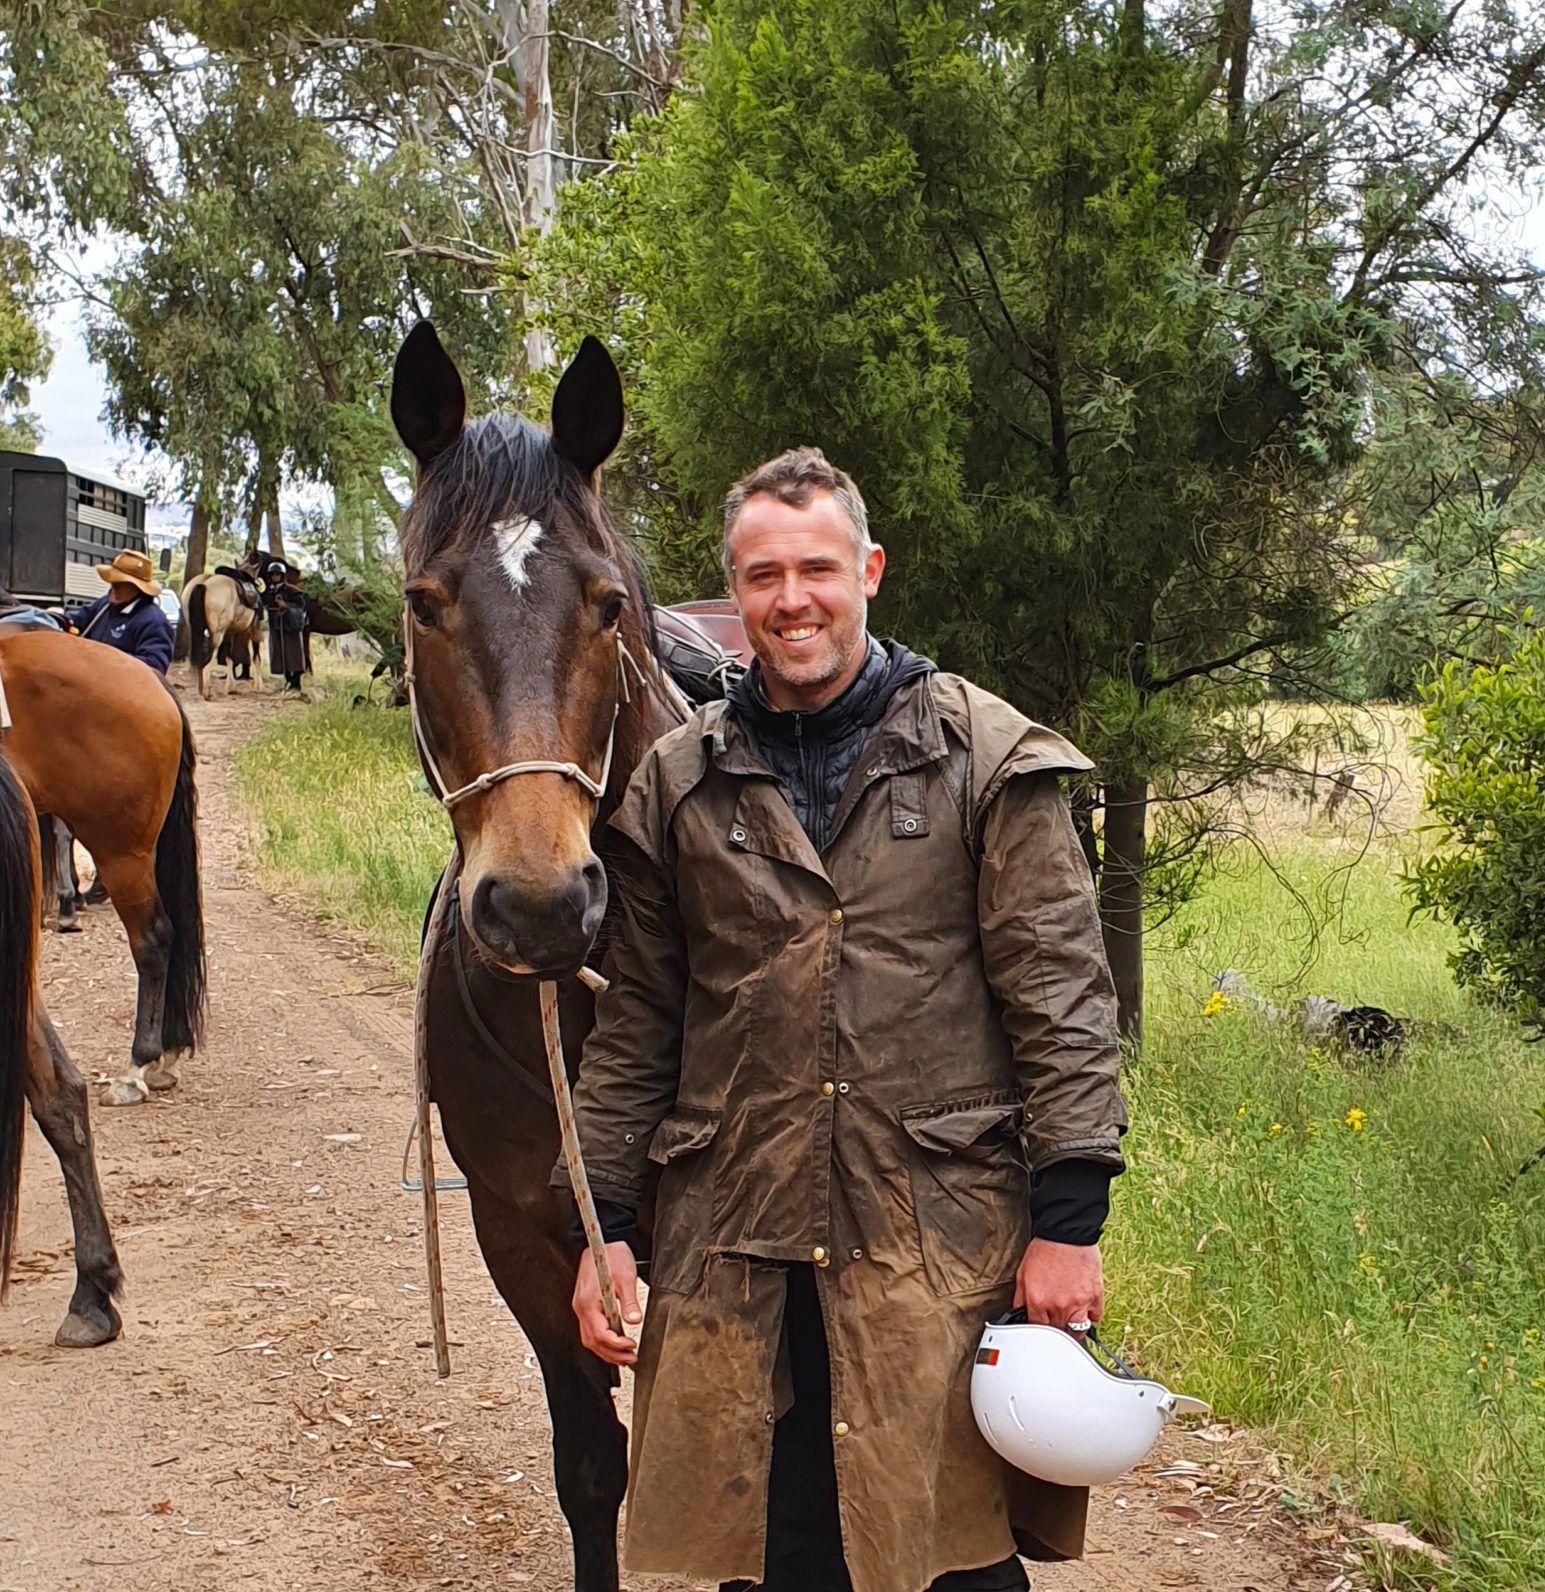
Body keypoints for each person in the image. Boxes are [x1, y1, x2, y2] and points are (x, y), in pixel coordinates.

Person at [559, 448, 1129, 1592]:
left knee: (948, 1545)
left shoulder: (985, 755)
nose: (791, 600)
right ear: (736, 593)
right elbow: (637, 1031)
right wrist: (604, 1223)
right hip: (736, 1232)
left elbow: (1064, 1002)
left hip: (933, 1237)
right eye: (762, 575)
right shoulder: (676, 786)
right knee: (770, 1546)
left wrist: (1070, 1217)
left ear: (867, 569)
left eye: (816, 567)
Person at [66, 549, 175, 674]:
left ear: (138, 588)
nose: (115, 587)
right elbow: (78, 618)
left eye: (123, 583)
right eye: (114, 582)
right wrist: (57, 619)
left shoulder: (154, 622)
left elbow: (155, 666)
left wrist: (105, 659)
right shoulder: (104, 605)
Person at [260, 558, 310, 692]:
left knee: (293, 653)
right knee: (279, 653)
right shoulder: (269, 592)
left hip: (290, 626)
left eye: (277, 574)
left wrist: (286, 606)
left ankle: (296, 682)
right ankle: (288, 680)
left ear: (282, 575)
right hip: (275, 626)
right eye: (272, 574)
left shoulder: (292, 590)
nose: (275, 576)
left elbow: (301, 605)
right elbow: (261, 601)